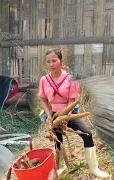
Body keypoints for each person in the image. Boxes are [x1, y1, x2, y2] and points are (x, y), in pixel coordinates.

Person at [38, 48, 109, 178]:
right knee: (57, 140)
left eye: (54, 60)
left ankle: (94, 169)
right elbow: (43, 99)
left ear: (61, 61)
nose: (51, 64)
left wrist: (65, 117)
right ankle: (61, 166)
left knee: (87, 134)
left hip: (69, 113)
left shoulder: (70, 79)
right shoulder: (44, 80)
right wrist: (49, 116)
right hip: (53, 115)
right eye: (48, 62)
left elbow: (72, 101)